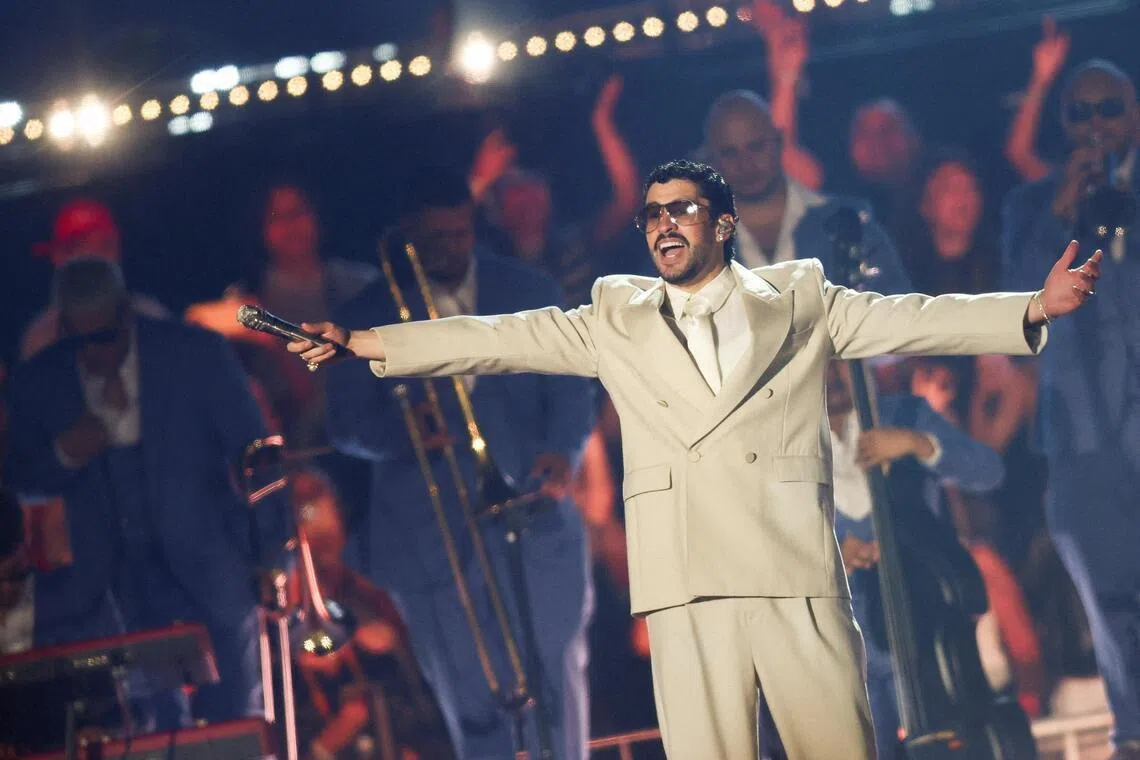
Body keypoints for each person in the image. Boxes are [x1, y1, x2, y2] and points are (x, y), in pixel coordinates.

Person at [291, 159, 1098, 759]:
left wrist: (1030, 306)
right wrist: (364, 343)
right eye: (652, 215)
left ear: (722, 223)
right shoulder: (616, 313)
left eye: (682, 210)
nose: (664, 224)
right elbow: (495, 338)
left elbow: (909, 318)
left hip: (791, 568)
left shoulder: (799, 297)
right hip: (687, 583)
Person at [323, 170, 596, 760]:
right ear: (407, 236)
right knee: (469, 700)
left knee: (557, 686)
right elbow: (343, 426)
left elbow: (576, 386)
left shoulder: (530, 287)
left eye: (460, 232)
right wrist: (400, 433)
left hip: (533, 517)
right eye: (435, 237)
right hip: (432, 537)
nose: (451, 247)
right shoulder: (364, 315)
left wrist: (562, 451)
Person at [4, 257, 280, 725]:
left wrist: (273, 554)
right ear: (62, 328)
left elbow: (259, 458)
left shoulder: (195, 355)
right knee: (149, 729)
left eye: (104, 337)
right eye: (78, 340)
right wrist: (64, 455)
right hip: (113, 594)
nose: (94, 353)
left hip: (212, 569)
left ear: (126, 313)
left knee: (238, 721)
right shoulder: (39, 382)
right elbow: (17, 482)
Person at [1002, 58, 1140, 759]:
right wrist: (1061, 212)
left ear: (1135, 111)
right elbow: (1016, 312)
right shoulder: (1032, 205)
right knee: (1113, 608)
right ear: (1063, 125)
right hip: (1082, 443)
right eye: (1080, 113)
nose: (1095, 126)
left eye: (1108, 109)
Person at [824, 359, 1006, 759]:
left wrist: (919, 443)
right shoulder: (788, 441)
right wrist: (832, 551)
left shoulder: (904, 413)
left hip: (923, 621)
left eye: (839, 360)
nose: (832, 373)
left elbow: (988, 471)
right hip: (839, 633)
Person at [702, 90, 912, 295]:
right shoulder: (700, 241)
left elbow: (895, 311)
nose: (745, 164)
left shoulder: (849, 224)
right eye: (730, 153)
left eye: (756, 147)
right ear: (711, 159)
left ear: (779, 141)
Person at [20, 199, 169, 361]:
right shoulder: (41, 337)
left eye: (105, 245)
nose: (90, 255)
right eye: (75, 247)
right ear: (57, 257)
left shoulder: (150, 317)